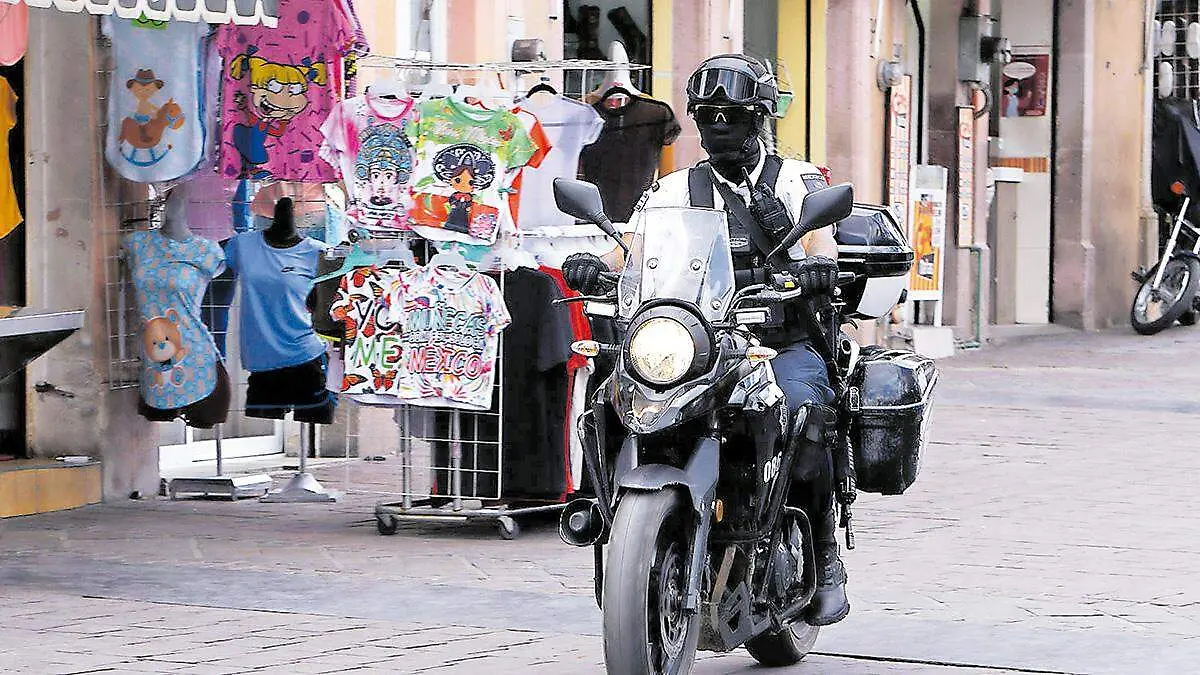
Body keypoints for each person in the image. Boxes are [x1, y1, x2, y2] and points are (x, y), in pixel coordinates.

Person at [560, 54, 849, 626]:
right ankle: (601, 510)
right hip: (692, 338)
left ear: (760, 117)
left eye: (732, 114)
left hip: (776, 337)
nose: (719, 125)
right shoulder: (671, 190)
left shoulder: (795, 181)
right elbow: (632, 253)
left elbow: (824, 251)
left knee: (804, 414)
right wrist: (594, 264)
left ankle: (823, 553)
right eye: (708, 114)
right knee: (607, 403)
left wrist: (818, 270)